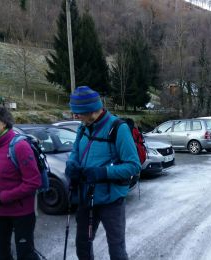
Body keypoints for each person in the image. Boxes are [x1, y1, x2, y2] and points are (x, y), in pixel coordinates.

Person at [65, 86, 141, 260]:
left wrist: (102, 173)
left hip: (111, 200)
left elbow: (133, 165)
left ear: (92, 110)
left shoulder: (118, 128)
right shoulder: (83, 127)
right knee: (82, 245)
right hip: (86, 196)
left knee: (116, 249)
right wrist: (71, 165)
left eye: (78, 113)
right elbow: (76, 151)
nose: (75, 116)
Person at [0, 107, 42, 260]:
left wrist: (4, 197)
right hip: (0, 213)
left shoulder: (19, 146)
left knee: (26, 255)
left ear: (3, 123)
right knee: (2, 254)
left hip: (22, 213)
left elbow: (33, 182)